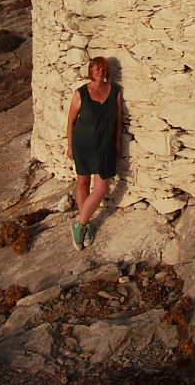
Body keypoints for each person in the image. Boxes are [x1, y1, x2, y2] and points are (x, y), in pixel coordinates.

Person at [66, 56, 122, 250]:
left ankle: (79, 224)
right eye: (96, 69)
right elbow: (71, 121)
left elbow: (118, 121)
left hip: (105, 145)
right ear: (90, 71)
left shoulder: (114, 91)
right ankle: (87, 225)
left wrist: (117, 144)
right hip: (83, 143)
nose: (100, 71)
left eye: (103, 68)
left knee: (102, 188)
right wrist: (70, 145)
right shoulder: (81, 93)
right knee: (82, 183)